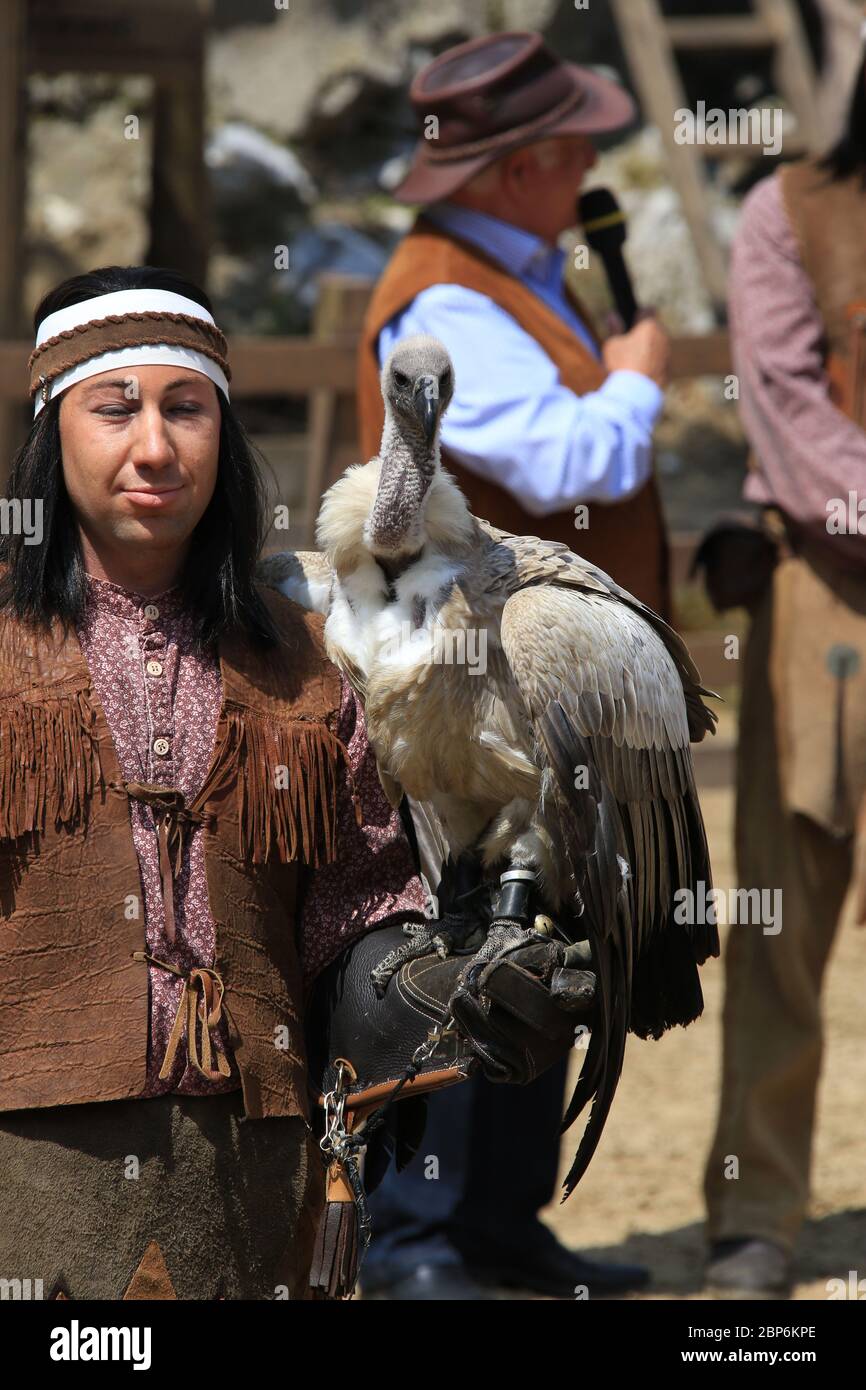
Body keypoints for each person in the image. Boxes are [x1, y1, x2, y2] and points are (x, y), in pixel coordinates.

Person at [0, 264, 433, 1300]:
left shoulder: (309, 663)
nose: (154, 445)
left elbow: (361, 903)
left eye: (185, 408)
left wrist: (430, 985)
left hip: (256, 1168)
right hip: (28, 1172)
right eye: (115, 409)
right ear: (53, 437)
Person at [355, 30, 671, 1300]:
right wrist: (641, 380)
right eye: (576, 144)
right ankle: (420, 1242)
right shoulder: (446, 303)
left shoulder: (521, 273)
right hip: (458, 690)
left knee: (544, 937)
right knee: (461, 945)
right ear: (521, 165)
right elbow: (567, 463)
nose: (596, 160)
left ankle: (496, 1225)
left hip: (530, 692)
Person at [702, 47, 866, 1297]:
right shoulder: (789, 207)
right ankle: (755, 1212)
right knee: (778, 913)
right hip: (823, 580)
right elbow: (780, 399)